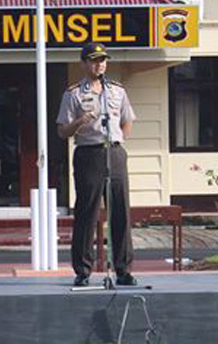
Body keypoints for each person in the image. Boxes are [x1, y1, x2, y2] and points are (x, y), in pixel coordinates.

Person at [56, 42, 137, 287]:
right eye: (94, 60)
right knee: (87, 212)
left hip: (114, 152)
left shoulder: (117, 90)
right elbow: (62, 131)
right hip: (88, 153)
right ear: (84, 64)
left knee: (120, 211)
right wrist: (80, 121)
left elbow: (127, 120)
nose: (99, 65)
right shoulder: (73, 94)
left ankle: (123, 269)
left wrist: (117, 140)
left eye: (102, 60)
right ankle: (83, 270)